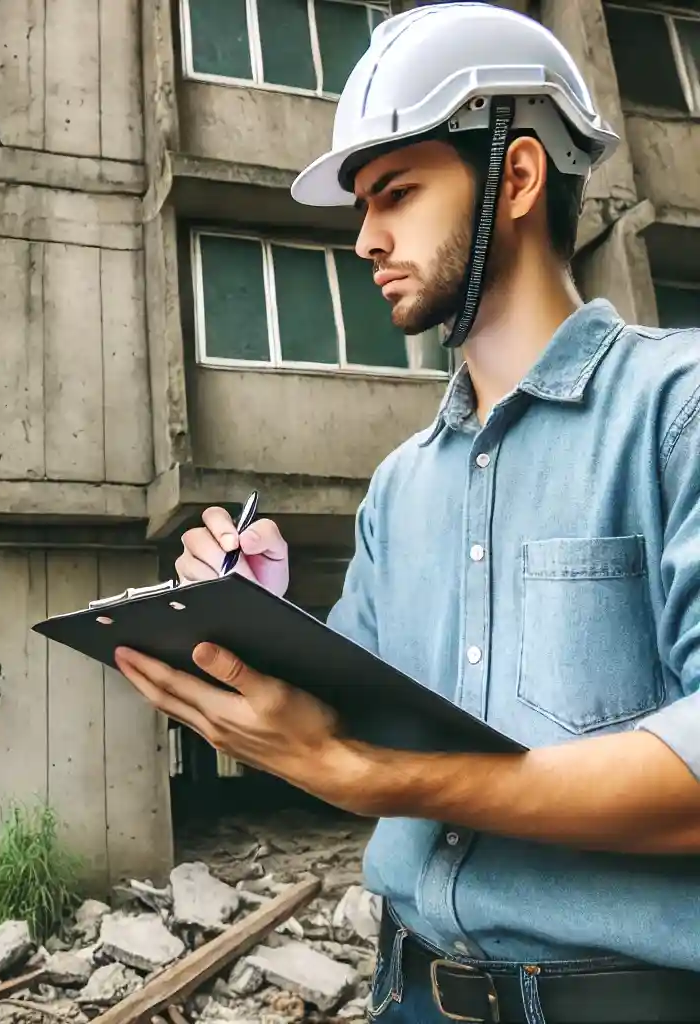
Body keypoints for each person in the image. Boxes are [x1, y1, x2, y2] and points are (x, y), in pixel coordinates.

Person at [113, 3, 700, 1022]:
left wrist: (376, 772)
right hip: (410, 992)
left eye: (394, 194)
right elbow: (342, 732)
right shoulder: (401, 485)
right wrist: (261, 628)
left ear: (515, 177)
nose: (363, 238)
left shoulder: (677, 409)